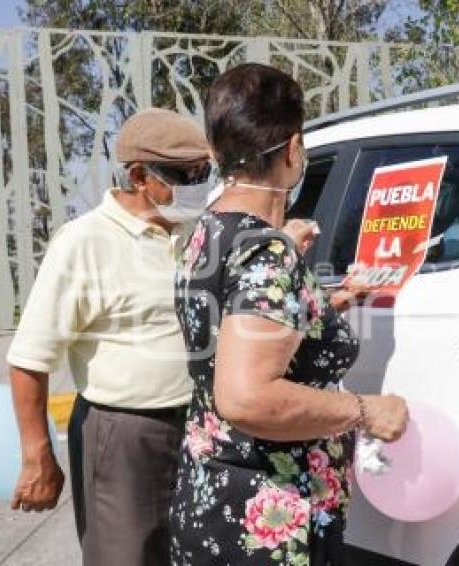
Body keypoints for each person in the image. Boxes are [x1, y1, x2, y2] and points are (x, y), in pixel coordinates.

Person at [169, 63, 409, 565]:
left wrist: (336, 299)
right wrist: (366, 411)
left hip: (209, 501)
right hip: (270, 523)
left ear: (218, 151)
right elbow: (247, 395)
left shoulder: (205, 233)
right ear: (294, 149)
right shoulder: (265, 251)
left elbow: (237, 321)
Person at [6, 108, 214, 565]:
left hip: (198, 427)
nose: (198, 183)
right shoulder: (84, 241)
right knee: (127, 557)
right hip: (124, 433)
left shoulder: (193, 233)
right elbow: (29, 359)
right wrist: (37, 455)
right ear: (139, 175)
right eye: (184, 174)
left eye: (204, 171)